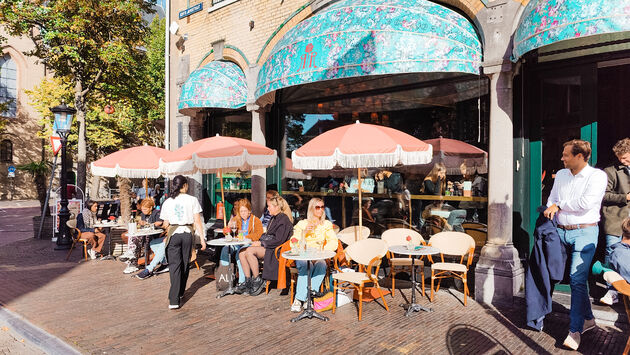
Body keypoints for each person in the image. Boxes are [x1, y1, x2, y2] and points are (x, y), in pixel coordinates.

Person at [543, 139, 607, 350]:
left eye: (566, 155)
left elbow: (585, 203)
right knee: (562, 275)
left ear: (579, 156)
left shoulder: (597, 176)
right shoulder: (561, 174)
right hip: (560, 232)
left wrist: (559, 205)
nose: (562, 158)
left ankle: (575, 330)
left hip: (585, 232)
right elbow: (551, 198)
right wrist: (554, 204)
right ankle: (588, 319)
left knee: (576, 279)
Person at [159, 175, 207, 309]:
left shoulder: (168, 202)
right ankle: (179, 292)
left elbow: (165, 223)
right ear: (185, 185)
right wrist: (202, 240)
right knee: (185, 264)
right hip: (187, 233)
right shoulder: (192, 200)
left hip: (174, 234)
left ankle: (174, 299)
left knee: (175, 266)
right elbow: (197, 221)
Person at [290, 198, 338, 312]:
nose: (321, 210)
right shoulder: (302, 224)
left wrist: (323, 251)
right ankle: (299, 299)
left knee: (322, 265)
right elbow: (294, 241)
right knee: (308, 266)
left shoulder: (326, 224)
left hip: (318, 253)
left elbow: (333, 241)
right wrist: (304, 233)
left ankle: (309, 298)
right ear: (311, 209)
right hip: (303, 253)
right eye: (317, 207)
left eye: (322, 207)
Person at [239, 195, 293, 296]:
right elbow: (268, 235)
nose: (268, 209)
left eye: (269, 206)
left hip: (275, 250)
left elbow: (279, 240)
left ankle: (257, 280)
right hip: (269, 245)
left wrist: (261, 243)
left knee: (250, 251)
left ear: (277, 207)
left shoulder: (283, 219)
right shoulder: (274, 218)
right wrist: (258, 240)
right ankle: (248, 281)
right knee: (242, 252)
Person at [600, 138, 630, 305]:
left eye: (625, 157)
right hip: (615, 219)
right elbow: (603, 194)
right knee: (612, 254)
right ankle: (611, 291)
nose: (621, 161)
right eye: (619, 157)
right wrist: (624, 197)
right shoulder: (610, 171)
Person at [220, 198, 263, 294]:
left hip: (248, 244)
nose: (243, 213)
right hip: (236, 243)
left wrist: (245, 237)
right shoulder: (236, 219)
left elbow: (258, 234)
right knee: (225, 249)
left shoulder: (255, 221)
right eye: (241, 211)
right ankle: (225, 274)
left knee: (239, 254)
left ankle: (243, 282)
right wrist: (228, 227)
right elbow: (226, 233)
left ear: (249, 211)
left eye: (245, 211)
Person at [119, 198, 163, 274]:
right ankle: (132, 256)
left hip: (155, 235)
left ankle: (133, 259)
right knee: (133, 235)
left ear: (151, 208)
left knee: (140, 238)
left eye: (145, 209)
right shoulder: (143, 214)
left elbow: (159, 223)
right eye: (142, 209)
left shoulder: (156, 213)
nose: (143, 211)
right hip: (145, 234)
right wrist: (142, 223)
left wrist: (148, 224)